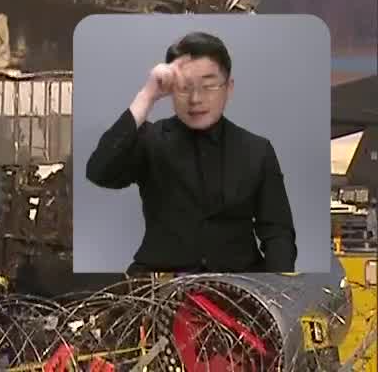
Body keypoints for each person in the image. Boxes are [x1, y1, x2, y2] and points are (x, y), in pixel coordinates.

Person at [84, 31, 297, 274]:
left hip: (238, 288)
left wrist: (277, 291)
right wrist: (147, 96)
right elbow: (99, 171)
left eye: (208, 86)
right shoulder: (151, 140)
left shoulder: (257, 150)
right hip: (160, 287)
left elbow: (278, 233)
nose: (196, 99)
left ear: (229, 88)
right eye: (184, 88)